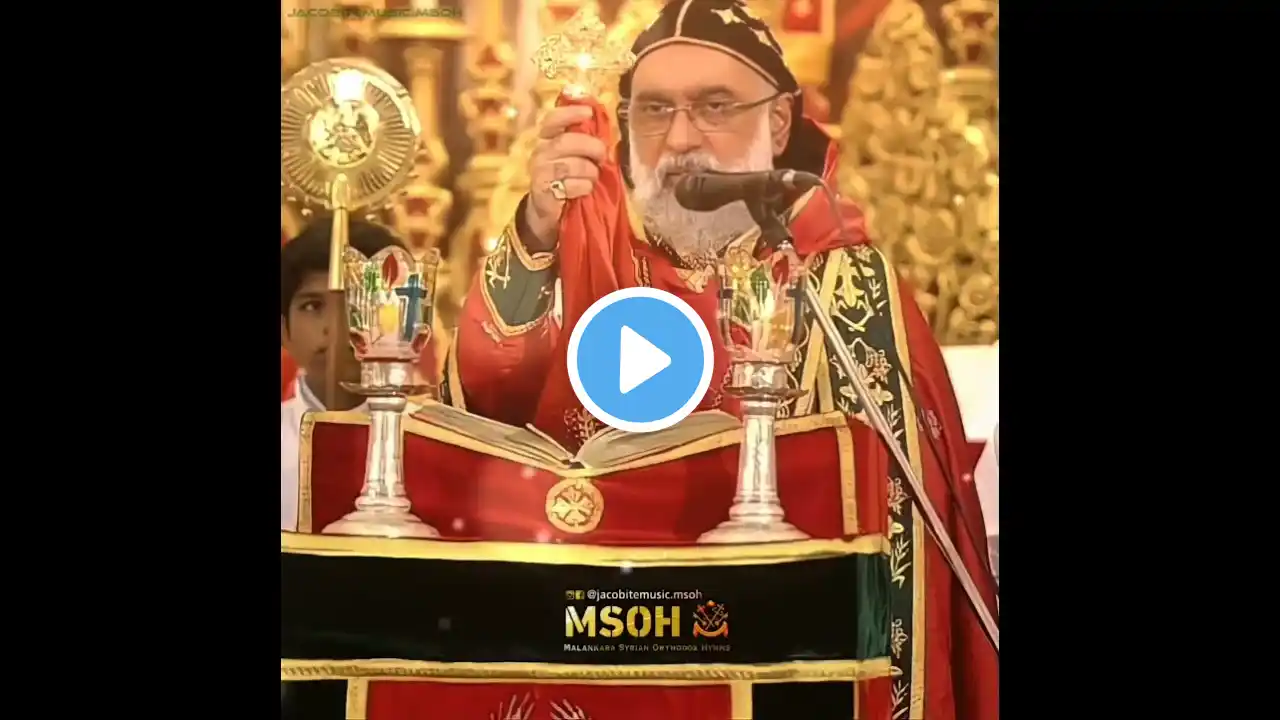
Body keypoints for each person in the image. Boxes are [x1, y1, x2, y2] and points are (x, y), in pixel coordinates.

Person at [440, 1, 998, 717]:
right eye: (654, 110)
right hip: (602, 660)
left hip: (789, 671)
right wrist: (537, 233)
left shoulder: (841, 281)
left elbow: (897, 547)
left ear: (778, 122)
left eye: (714, 106)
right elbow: (480, 418)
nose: (680, 138)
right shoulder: (587, 265)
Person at [279, 219, 407, 531]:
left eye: (356, 301)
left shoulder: (429, 444)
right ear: (283, 331)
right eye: (313, 306)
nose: (336, 326)